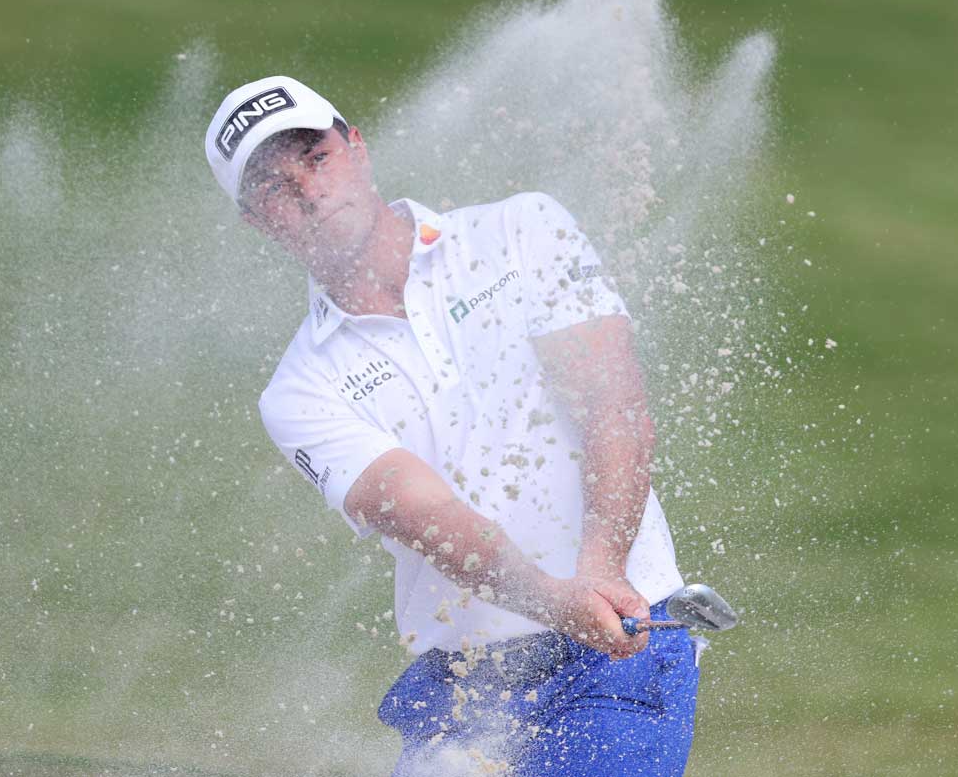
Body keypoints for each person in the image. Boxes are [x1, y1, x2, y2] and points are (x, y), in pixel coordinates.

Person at [203, 76, 699, 776]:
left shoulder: (522, 230)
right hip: (465, 684)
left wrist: (599, 571)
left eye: (315, 158)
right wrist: (557, 598)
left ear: (356, 147)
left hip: (619, 649)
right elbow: (427, 517)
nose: (310, 192)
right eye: (276, 188)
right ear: (258, 221)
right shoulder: (300, 390)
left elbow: (612, 406)